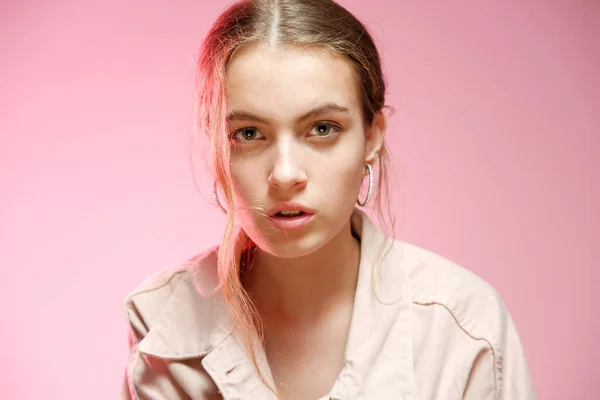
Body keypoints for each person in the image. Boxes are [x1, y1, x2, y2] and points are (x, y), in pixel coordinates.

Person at [120, 0, 535, 399]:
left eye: (322, 129)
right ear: (216, 144)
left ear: (372, 136)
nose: (285, 174)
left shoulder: (463, 330)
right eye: (248, 133)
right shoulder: (160, 319)